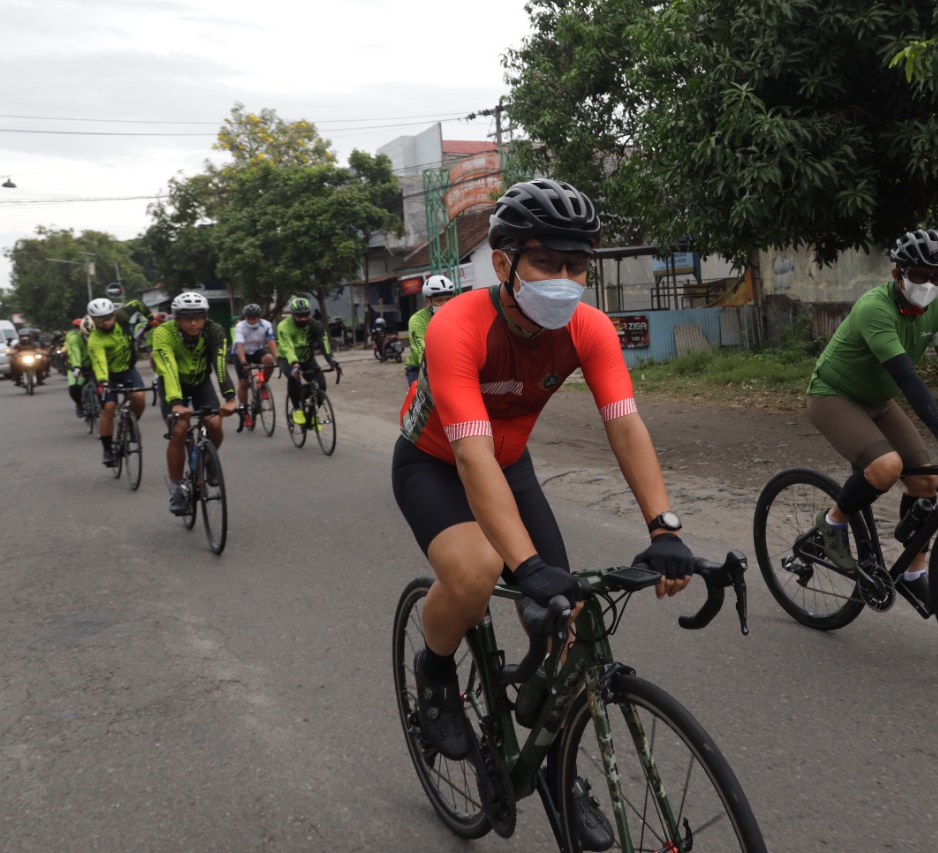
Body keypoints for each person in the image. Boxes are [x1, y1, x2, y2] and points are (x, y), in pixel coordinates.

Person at [392, 177, 693, 786]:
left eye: (577, 264)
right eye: (546, 261)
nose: (564, 277)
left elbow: (626, 426)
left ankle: (556, 771)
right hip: (435, 465)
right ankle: (435, 669)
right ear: (503, 262)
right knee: (479, 569)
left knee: (569, 611)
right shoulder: (457, 326)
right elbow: (472, 457)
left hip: (510, 466)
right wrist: (524, 567)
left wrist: (664, 527)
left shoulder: (589, 328)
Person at [805, 228, 938, 607]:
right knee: (886, 467)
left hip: (879, 400)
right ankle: (832, 523)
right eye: (918, 274)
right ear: (896, 273)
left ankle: (914, 573)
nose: (929, 284)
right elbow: (907, 376)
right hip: (834, 395)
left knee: (925, 482)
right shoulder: (874, 308)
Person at [151, 292, 237, 515]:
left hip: (200, 382)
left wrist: (229, 398)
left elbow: (220, 365)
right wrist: (177, 403)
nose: (193, 323)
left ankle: (208, 460)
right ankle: (177, 487)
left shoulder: (214, 330)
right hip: (173, 383)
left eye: (198, 317)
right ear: (176, 318)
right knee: (179, 429)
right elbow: (168, 368)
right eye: (187, 318)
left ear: (205, 317)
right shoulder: (163, 332)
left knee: (215, 423)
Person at [87, 296, 151, 467]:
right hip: (107, 374)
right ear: (93, 320)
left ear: (114, 315)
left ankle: (132, 424)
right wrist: (103, 382)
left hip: (128, 369)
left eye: (108, 318)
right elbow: (99, 363)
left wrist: (150, 319)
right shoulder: (95, 340)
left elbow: (137, 304)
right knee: (108, 407)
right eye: (100, 320)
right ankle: (107, 450)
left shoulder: (122, 317)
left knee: (138, 396)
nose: (105, 322)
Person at [276, 297, 339, 430]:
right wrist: (294, 364)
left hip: (307, 359)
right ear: (293, 315)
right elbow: (287, 347)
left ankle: (312, 412)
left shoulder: (315, 325)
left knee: (321, 386)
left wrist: (332, 361)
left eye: (306, 315)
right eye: (299, 316)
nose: (303, 318)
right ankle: (298, 408)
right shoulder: (284, 326)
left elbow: (324, 343)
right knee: (294, 377)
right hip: (287, 359)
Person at [231, 303, 279, 428]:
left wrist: (277, 358)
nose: (252, 320)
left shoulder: (266, 324)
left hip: (257, 350)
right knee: (244, 383)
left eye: (254, 317)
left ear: (259, 317)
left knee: (269, 360)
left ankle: (262, 384)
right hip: (241, 353)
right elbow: (239, 345)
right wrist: (243, 363)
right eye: (249, 318)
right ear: (245, 317)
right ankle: (244, 411)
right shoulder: (240, 326)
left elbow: (271, 341)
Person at [404, 274, 456, 385]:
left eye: (448, 299)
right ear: (428, 302)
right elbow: (419, 352)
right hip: (419, 367)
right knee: (422, 398)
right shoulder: (417, 320)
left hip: (452, 365)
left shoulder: (459, 314)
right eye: (439, 301)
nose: (445, 304)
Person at [64, 317, 93, 418]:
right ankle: (79, 405)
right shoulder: (73, 337)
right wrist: (77, 367)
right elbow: (75, 353)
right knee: (74, 388)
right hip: (78, 366)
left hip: (95, 365)